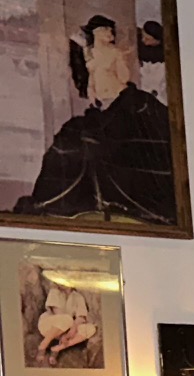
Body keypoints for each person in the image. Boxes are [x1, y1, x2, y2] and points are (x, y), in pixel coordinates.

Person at [13, 13, 179, 227]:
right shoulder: (90, 53)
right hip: (101, 104)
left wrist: (115, 96)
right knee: (72, 137)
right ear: (97, 33)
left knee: (107, 137)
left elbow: (123, 77)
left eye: (111, 30)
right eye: (106, 30)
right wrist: (94, 94)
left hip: (119, 100)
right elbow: (90, 78)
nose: (110, 33)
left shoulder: (115, 53)